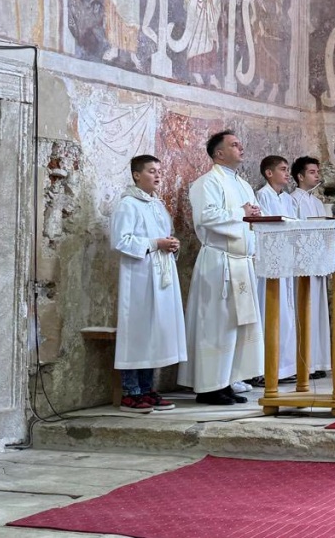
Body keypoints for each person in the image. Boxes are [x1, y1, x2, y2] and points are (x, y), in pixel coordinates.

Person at [177, 131, 263, 405]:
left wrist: (256, 217)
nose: (241, 147)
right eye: (234, 144)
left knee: (236, 325)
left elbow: (250, 217)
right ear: (219, 153)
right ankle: (208, 386)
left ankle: (226, 381)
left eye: (240, 143)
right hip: (219, 262)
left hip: (241, 263)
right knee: (214, 325)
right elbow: (206, 217)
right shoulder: (206, 182)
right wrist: (242, 213)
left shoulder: (244, 185)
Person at [110, 155, 187, 413]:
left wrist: (171, 244)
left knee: (154, 332)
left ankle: (147, 389)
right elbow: (120, 241)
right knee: (138, 332)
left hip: (160, 274)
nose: (157, 175)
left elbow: (163, 236)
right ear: (136, 175)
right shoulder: (128, 205)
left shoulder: (156, 204)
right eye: (152, 171)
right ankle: (130, 393)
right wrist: (155, 244)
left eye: (159, 171)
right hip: (139, 278)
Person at [253, 155, 299, 385]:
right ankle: (265, 368)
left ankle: (284, 367)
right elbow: (263, 228)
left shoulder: (288, 200)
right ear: (269, 173)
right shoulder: (262, 196)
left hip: (286, 262)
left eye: (288, 169)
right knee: (270, 311)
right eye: (283, 169)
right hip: (270, 263)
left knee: (286, 314)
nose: (287, 173)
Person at [289, 157, 332, 379]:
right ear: (300, 176)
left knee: (317, 313)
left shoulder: (316, 202)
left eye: (317, 172)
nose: (317, 176)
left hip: (317, 264)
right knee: (303, 311)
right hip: (301, 265)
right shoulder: (292, 200)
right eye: (312, 172)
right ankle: (302, 363)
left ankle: (316, 362)